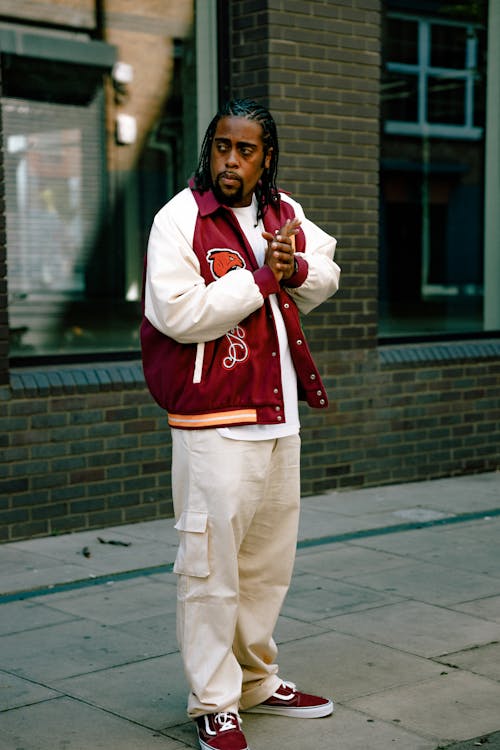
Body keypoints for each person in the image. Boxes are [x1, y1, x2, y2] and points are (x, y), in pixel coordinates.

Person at [141, 98, 341, 750]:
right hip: (213, 421)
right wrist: (262, 277)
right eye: (222, 146)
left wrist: (297, 267)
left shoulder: (286, 213)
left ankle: (255, 683)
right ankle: (213, 703)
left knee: (264, 568)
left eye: (245, 149)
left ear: (267, 156)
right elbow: (178, 312)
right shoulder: (179, 219)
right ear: (209, 149)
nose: (231, 160)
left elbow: (327, 273)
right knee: (208, 569)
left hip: (278, 420)